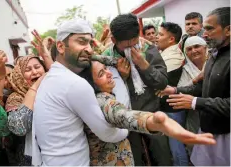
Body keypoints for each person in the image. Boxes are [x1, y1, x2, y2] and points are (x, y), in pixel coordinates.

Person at [32, 18, 129, 166]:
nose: (89, 49)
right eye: (81, 42)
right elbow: (107, 133)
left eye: (90, 43)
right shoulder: (74, 84)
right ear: (60, 46)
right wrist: (127, 129)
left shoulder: (53, 76)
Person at [82, 60, 215, 166]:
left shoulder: (101, 95)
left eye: (106, 68)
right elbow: (123, 115)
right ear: (91, 84)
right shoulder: (102, 100)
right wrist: (153, 122)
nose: (110, 73)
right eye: (101, 74)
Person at [160, 7, 230, 166]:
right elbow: (203, 87)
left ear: (228, 30)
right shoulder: (214, 55)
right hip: (208, 129)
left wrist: (195, 102)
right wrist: (176, 90)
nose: (204, 34)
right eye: (204, 29)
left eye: (210, 29)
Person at [102, 13, 171, 166]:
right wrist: (122, 78)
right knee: (135, 161)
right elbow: (104, 94)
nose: (132, 49)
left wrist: (144, 65)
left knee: (162, 159)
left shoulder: (148, 49)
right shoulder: (106, 58)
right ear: (114, 41)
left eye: (135, 43)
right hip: (125, 123)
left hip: (153, 115)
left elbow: (161, 82)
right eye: (126, 47)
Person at [5, 54, 47, 166]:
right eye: (28, 70)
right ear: (20, 76)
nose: (34, 72)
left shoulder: (52, 92)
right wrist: (36, 86)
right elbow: (20, 127)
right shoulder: (16, 98)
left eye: (37, 67)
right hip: (30, 159)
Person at [156, 22, 188, 165]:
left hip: (173, 108)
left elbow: (157, 80)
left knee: (176, 146)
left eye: (160, 34)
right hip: (169, 107)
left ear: (171, 39)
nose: (157, 37)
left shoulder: (173, 56)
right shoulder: (166, 53)